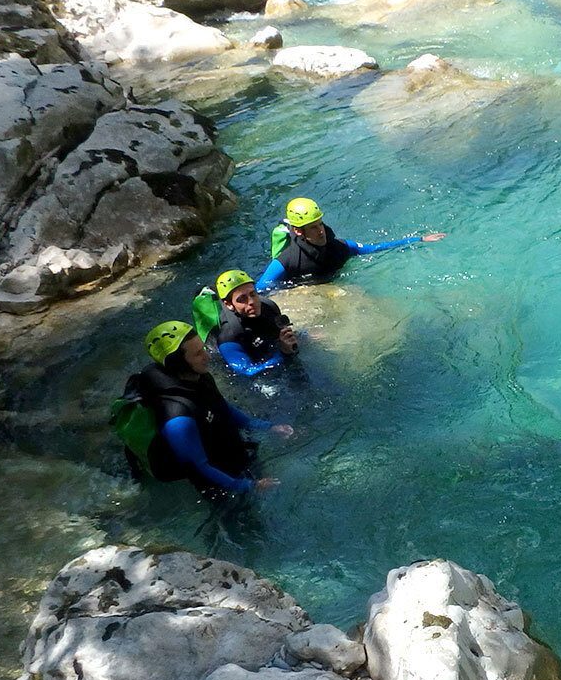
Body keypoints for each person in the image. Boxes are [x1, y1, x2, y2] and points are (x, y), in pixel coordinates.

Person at [117, 321, 293, 499]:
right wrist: (249, 486)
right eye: (198, 354)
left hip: (230, 454)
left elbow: (222, 408)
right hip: (216, 481)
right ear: (179, 364)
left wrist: (268, 427)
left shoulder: (199, 377)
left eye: (203, 348)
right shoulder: (177, 417)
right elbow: (200, 467)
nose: (207, 356)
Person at [258, 197, 445, 290]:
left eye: (320, 224)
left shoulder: (340, 247)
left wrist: (419, 239)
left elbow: (375, 249)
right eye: (313, 227)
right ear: (299, 231)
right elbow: (260, 289)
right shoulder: (287, 261)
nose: (321, 231)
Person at [208, 269, 296, 377]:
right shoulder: (228, 337)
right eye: (242, 299)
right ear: (229, 304)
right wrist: (282, 353)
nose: (251, 302)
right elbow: (247, 372)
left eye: (253, 294)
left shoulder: (269, 307)